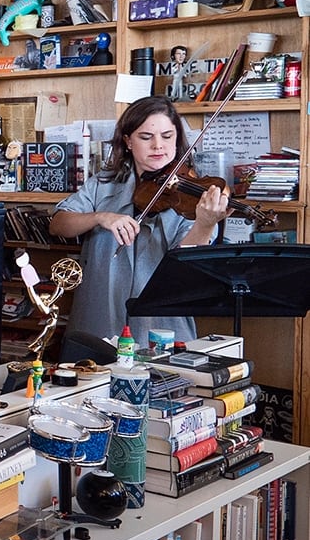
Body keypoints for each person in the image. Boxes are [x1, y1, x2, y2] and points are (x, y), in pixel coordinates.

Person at [50, 96, 229, 361]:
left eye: (168, 136)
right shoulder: (104, 184)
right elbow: (58, 224)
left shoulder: (191, 193)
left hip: (161, 329)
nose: (159, 146)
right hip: (99, 320)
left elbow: (186, 264)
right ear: (128, 141)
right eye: (146, 137)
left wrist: (205, 222)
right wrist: (101, 217)